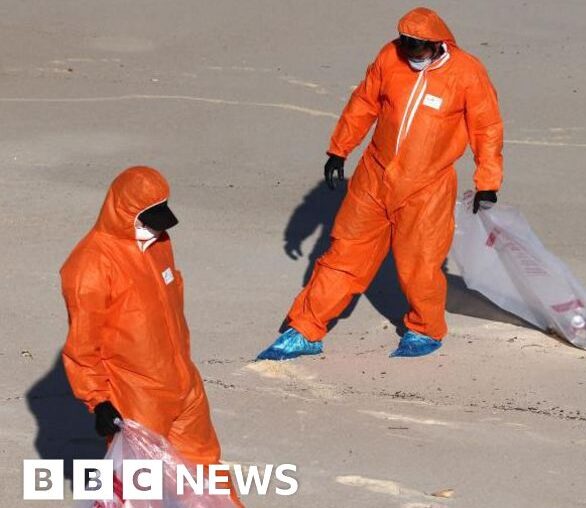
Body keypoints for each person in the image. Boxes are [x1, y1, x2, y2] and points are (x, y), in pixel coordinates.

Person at [258, 7, 503, 360]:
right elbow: (364, 102)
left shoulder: (467, 73)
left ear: (436, 45)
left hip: (426, 189)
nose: (408, 51)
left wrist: (487, 182)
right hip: (373, 179)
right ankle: (305, 329)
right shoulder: (390, 57)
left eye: (416, 47)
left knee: (419, 264)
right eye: (404, 43)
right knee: (342, 255)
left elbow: (487, 128)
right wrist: (339, 150)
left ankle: (424, 329)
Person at [61, 166, 240, 505]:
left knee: (205, 471)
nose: (157, 229)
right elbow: (82, 347)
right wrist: (98, 401)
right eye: (149, 220)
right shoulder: (89, 266)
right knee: (137, 488)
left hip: (183, 383)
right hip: (137, 395)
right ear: (124, 212)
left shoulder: (159, 243)